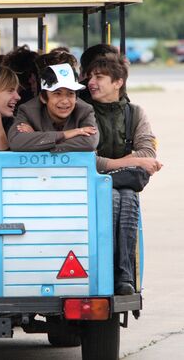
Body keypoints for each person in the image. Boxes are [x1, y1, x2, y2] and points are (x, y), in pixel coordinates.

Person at [85, 53, 162, 295]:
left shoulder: (135, 113)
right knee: (117, 198)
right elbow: (87, 159)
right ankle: (115, 273)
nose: (91, 82)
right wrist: (130, 160)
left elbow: (148, 152)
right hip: (92, 184)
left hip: (120, 183)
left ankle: (124, 277)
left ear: (118, 82)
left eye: (99, 77)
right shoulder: (84, 111)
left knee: (127, 197)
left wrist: (111, 163)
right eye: (90, 77)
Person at [8, 63, 99, 152]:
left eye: (70, 93)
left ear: (76, 98)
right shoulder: (28, 110)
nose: (65, 101)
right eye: (57, 94)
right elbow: (16, 142)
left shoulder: (85, 110)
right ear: (43, 98)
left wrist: (38, 142)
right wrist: (66, 134)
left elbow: (90, 142)